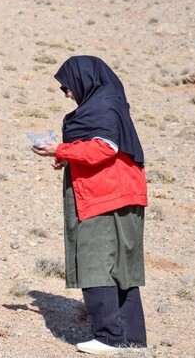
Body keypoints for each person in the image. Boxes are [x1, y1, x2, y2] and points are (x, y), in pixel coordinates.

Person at [32, 56, 148, 355]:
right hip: (124, 193)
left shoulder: (102, 105)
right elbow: (103, 145)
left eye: (67, 87)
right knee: (121, 266)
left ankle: (108, 338)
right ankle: (132, 338)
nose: (68, 94)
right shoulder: (111, 102)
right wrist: (66, 156)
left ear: (84, 80)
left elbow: (104, 147)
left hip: (103, 196)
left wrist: (58, 148)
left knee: (95, 263)